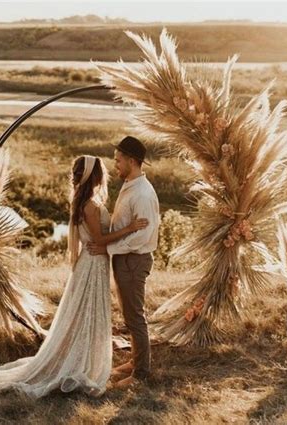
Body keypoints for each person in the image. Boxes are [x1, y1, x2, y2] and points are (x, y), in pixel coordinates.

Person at [0, 155, 149, 398]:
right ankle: (80, 363)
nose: (106, 174)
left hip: (93, 261)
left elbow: (96, 239)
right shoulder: (90, 205)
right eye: (101, 171)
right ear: (94, 176)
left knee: (86, 312)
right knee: (88, 312)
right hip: (93, 263)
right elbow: (99, 240)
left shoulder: (85, 200)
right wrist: (130, 228)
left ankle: (83, 358)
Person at [88, 136, 160, 388]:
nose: (115, 165)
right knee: (130, 315)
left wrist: (108, 248)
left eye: (118, 160)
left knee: (135, 317)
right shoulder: (131, 184)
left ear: (132, 161)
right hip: (125, 259)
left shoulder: (142, 193)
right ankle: (135, 361)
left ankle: (140, 374)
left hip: (133, 260)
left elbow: (143, 236)